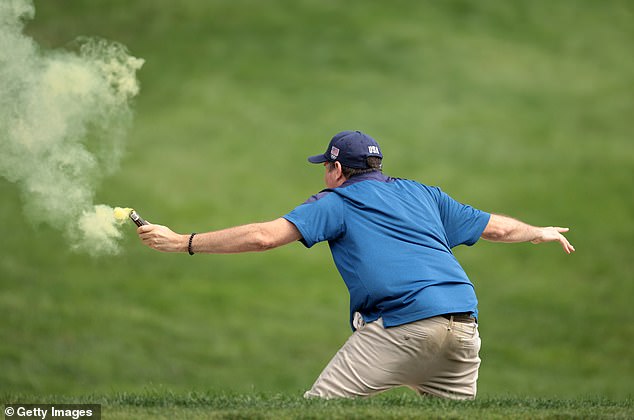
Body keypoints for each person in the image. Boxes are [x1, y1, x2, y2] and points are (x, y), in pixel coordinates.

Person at [137, 130, 575, 400]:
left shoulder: (338, 201)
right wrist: (539, 231)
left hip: (404, 323)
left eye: (325, 165)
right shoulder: (423, 193)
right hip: (465, 327)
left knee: (318, 411)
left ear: (335, 168)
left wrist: (182, 242)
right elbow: (495, 228)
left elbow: (264, 237)